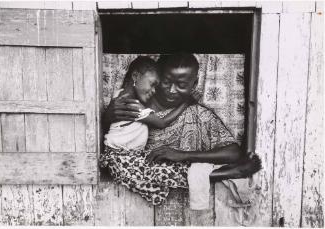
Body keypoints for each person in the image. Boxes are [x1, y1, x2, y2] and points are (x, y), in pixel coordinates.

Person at [101, 53, 261, 208]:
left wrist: (183, 155)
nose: (171, 90)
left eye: (182, 85)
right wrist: (107, 117)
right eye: (165, 82)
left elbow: (233, 153)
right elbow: (106, 137)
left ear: (195, 84)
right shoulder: (134, 104)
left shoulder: (199, 115)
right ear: (157, 78)